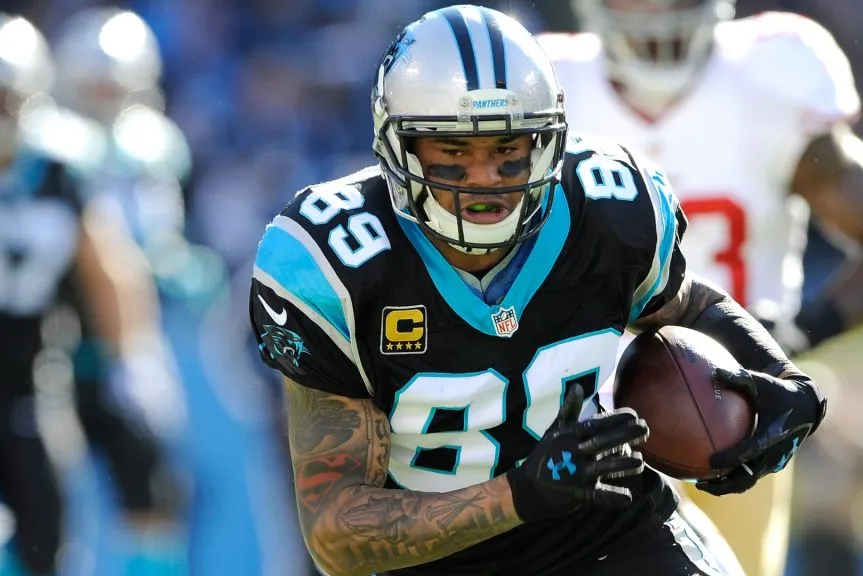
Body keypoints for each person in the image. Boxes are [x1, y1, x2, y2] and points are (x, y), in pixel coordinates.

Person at [249, 5, 827, 575]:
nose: (484, 181)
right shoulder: (336, 263)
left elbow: (683, 302)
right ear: (400, 149)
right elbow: (334, 530)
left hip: (610, 530)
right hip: (432, 563)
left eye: (508, 151)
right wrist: (522, 493)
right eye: (454, 154)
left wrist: (779, 379)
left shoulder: (606, 209)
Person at [539, 1, 863, 575]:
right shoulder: (550, 82)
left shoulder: (769, 74)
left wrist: (788, 339)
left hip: (732, 408)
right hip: (580, 409)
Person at [0, 14, 181, 576]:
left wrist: (134, 358)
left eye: (5, 98)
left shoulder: (60, 171)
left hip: (32, 372)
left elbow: (110, 267)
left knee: (46, 526)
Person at [47, 9, 191, 574]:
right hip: (57, 344)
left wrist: (176, 264)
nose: (104, 99)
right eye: (92, 87)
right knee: (47, 496)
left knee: (153, 491)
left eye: (114, 86)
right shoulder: (52, 151)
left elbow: (174, 235)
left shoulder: (158, 147)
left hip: (137, 345)